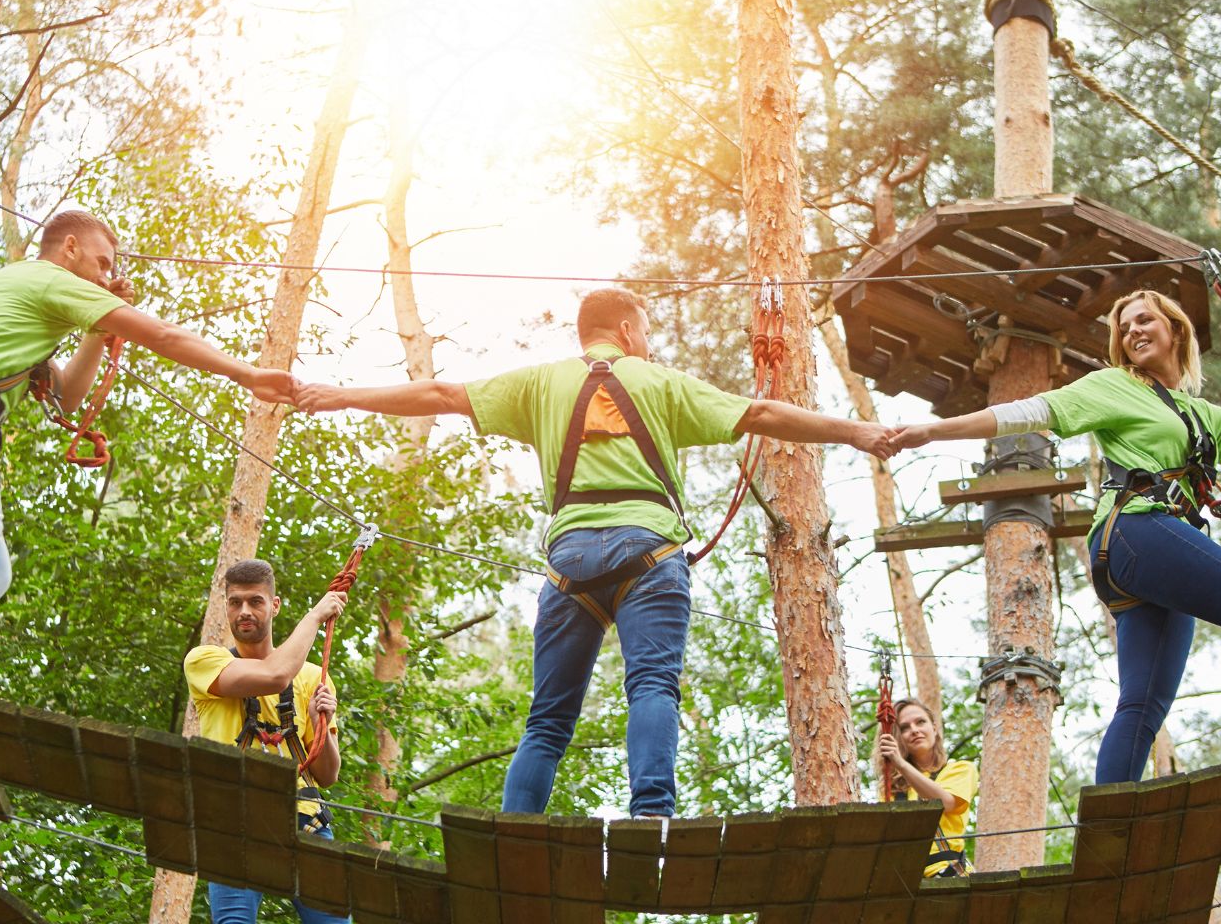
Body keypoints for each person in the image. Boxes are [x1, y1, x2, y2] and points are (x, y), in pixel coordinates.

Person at [295, 287, 897, 817]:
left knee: (548, 720)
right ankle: (651, 818)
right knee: (653, 686)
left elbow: (442, 392)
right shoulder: (658, 381)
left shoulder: (539, 383)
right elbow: (762, 412)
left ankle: (515, 829)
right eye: (648, 334)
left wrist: (343, 395)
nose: (651, 346)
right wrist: (858, 432)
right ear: (629, 330)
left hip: (569, 563)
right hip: (650, 552)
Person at [0, 209, 298, 695]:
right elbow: (162, 335)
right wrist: (246, 374)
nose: (106, 276)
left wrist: (97, 333)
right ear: (69, 248)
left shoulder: (25, 294)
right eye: (102, 264)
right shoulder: (49, 277)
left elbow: (68, 395)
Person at [890, 288, 1221, 783]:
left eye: (1144, 321)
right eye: (1124, 329)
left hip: (1141, 551)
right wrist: (934, 432)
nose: (1133, 333)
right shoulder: (1115, 386)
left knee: (1143, 704)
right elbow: (1031, 412)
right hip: (1137, 530)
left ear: (1175, 330)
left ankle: (1108, 829)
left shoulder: (1204, 416)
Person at [184, 559, 347, 924]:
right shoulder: (204, 662)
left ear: (274, 606)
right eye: (235, 602)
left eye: (255, 601)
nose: (244, 611)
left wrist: (324, 722)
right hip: (233, 821)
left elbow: (327, 774)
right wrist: (315, 616)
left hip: (304, 819)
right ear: (225, 606)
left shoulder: (311, 678)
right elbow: (274, 675)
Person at [876, 698, 976, 878]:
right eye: (905, 728)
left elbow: (946, 802)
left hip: (947, 875)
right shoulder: (894, 789)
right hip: (904, 879)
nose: (914, 730)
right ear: (899, 738)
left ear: (935, 728)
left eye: (920, 722)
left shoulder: (959, 770)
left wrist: (900, 764)